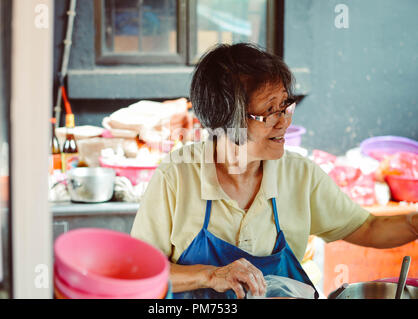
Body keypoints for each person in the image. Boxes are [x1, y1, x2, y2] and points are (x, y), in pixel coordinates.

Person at [130, 43, 418, 299]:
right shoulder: (176, 177)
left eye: (285, 106)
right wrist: (210, 275)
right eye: (270, 111)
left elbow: (367, 227)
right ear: (227, 118)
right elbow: (139, 273)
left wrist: (414, 222)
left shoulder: (299, 176)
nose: (284, 122)